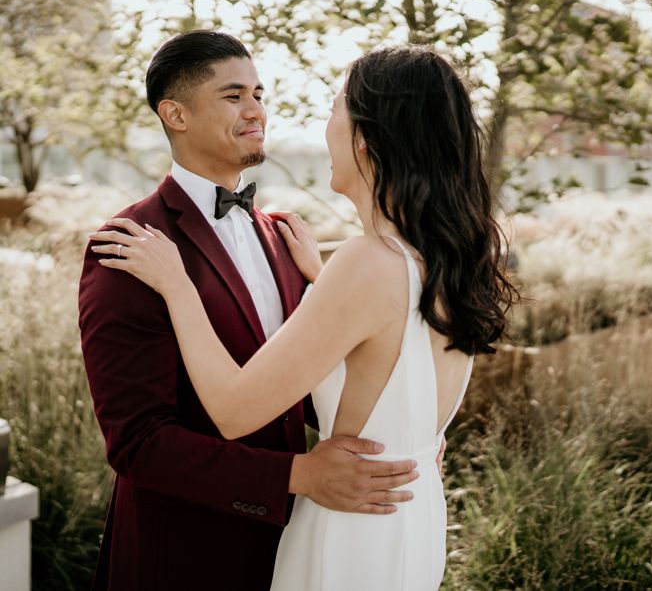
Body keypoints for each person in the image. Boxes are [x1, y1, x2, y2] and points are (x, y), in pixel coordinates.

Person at [89, 44, 516, 590]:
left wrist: (181, 288)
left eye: (259, 94)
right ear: (175, 113)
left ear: (365, 137)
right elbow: (136, 442)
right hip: (193, 556)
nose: (257, 110)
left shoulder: (339, 256)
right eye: (233, 95)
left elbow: (263, 398)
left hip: (349, 535)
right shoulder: (135, 244)